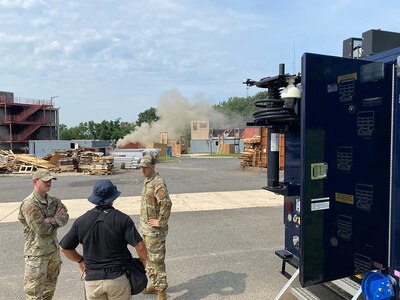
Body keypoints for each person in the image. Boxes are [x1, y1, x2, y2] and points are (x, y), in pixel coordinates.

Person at [59, 179, 147, 300]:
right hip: (117, 278)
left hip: (92, 280)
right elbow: (140, 246)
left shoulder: (81, 221)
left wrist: (80, 261)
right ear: (113, 197)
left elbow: (64, 248)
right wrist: (143, 262)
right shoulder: (123, 219)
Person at [18, 168, 69, 300]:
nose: (49, 183)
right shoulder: (29, 204)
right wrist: (54, 220)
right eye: (46, 181)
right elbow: (41, 229)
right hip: (37, 255)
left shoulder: (54, 201)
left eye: (51, 180)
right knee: (34, 294)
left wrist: (50, 220)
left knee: (49, 291)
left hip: (53, 252)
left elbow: (65, 217)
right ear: (35, 182)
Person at [139, 154, 172, 300]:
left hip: (155, 232)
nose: (143, 170)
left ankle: (162, 292)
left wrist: (161, 221)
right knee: (150, 259)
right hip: (146, 229)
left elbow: (166, 203)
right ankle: (153, 283)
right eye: (141, 167)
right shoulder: (148, 180)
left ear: (153, 166)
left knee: (157, 261)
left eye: (145, 167)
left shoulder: (158, 182)